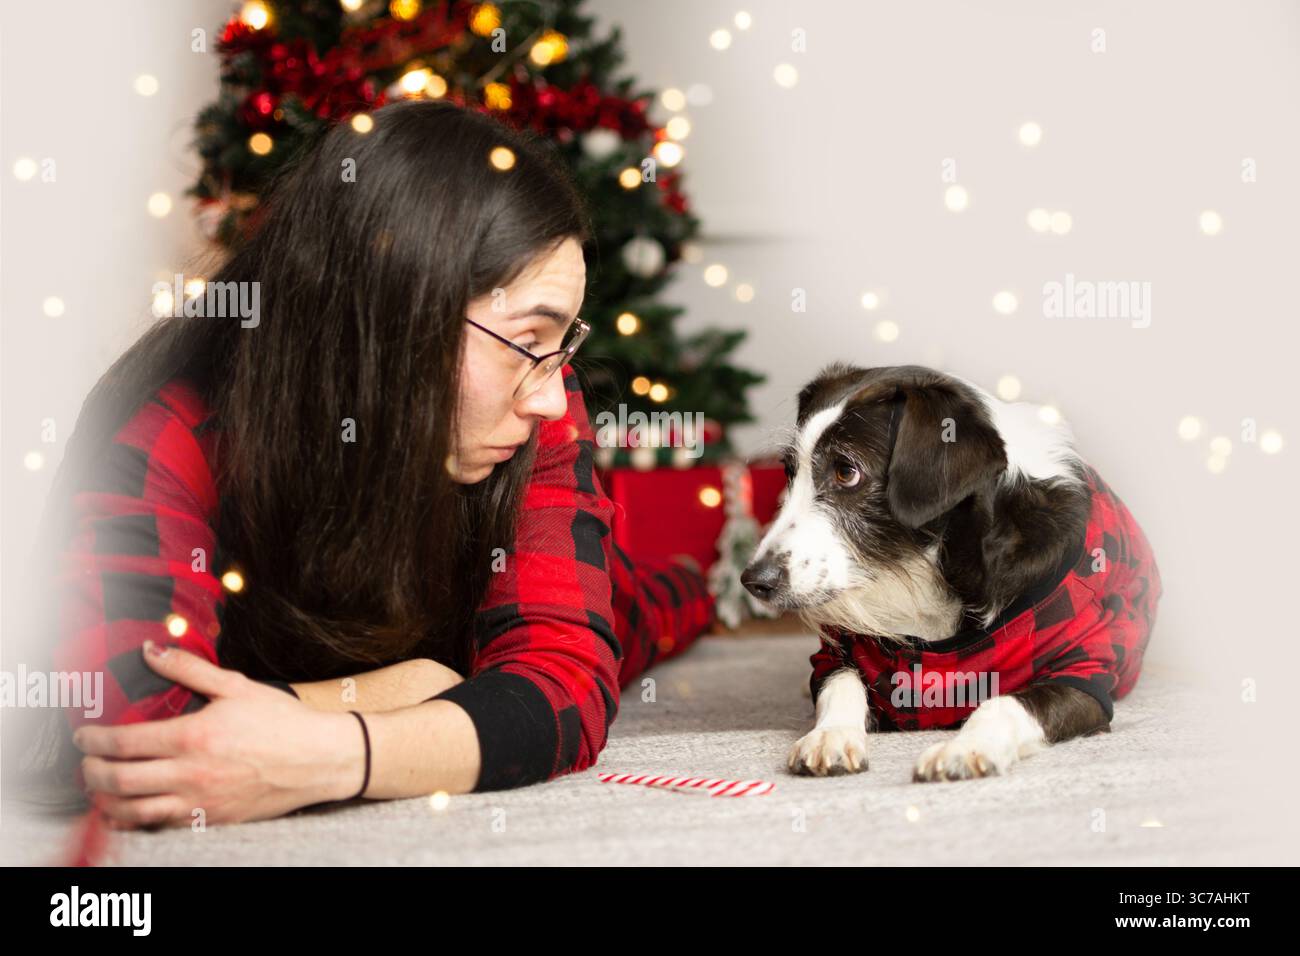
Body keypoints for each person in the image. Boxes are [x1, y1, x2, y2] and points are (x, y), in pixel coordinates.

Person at [17, 98, 714, 829]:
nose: (549, 397)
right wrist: (408, 689)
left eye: (560, 342)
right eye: (526, 338)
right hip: (377, 639)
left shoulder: (538, 394)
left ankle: (699, 584)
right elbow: (138, 737)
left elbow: (564, 682)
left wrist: (333, 750)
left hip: (548, 613)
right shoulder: (168, 435)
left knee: (655, 605)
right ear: (386, 320)